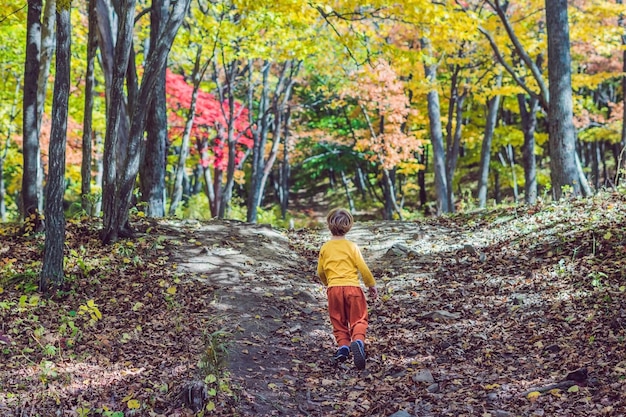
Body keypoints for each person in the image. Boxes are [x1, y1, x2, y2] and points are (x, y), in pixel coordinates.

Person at [317, 208, 378, 370]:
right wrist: (371, 285)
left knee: (338, 320)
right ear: (349, 226)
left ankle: (343, 347)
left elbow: (320, 271)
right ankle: (358, 341)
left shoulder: (325, 248)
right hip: (353, 289)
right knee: (359, 319)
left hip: (334, 290)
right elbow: (363, 268)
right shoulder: (352, 246)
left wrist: (328, 283)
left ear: (329, 225)